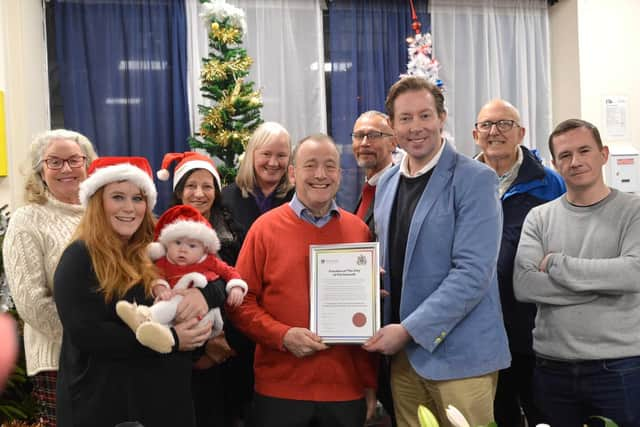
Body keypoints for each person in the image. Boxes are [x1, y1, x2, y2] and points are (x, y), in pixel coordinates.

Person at [363, 76, 510, 427]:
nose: (416, 127)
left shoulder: (475, 179)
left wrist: (409, 329)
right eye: (405, 118)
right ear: (393, 127)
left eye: (425, 116)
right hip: (403, 359)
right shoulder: (385, 183)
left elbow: (473, 274)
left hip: (462, 359)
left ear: (442, 118)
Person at [228, 134, 377, 427]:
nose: (320, 175)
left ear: (340, 175)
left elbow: (366, 323)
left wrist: (369, 384)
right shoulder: (265, 229)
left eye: (330, 166)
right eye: (310, 165)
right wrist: (281, 336)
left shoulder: (358, 231)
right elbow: (240, 303)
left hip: (345, 390)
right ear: (293, 173)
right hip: (280, 390)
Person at [54, 156, 214, 427]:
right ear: (97, 202)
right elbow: (87, 333)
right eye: (118, 197)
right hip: (106, 404)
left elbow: (216, 272)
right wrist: (171, 339)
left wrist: (204, 295)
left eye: (138, 199)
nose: (129, 208)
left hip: (164, 401)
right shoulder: (79, 256)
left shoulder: (160, 248)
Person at [513, 119, 640, 427]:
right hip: (551, 368)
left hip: (619, 368)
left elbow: (633, 274)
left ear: (603, 154)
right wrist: (605, 285)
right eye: (565, 155)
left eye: (584, 150)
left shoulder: (633, 210)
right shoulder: (539, 218)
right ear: (555, 163)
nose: (576, 161)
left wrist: (557, 264)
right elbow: (525, 285)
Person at [472, 99, 565, 427]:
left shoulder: (549, 183)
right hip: (479, 325)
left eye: (504, 124)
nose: (494, 132)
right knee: (497, 415)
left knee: (542, 412)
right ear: (475, 134)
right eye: (486, 125)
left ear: (521, 132)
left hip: (532, 326)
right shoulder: (463, 183)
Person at [2, 129, 97, 426]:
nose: (66, 168)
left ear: (88, 164)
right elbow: (31, 300)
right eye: (54, 162)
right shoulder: (27, 219)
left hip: (113, 355)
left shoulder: (105, 212)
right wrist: (86, 339)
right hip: (60, 358)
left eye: (74, 160)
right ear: (40, 171)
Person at [158, 151, 246, 427]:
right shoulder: (161, 230)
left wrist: (221, 344)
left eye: (207, 186)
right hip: (178, 351)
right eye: (191, 186)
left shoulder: (230, 230)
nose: (199, 193)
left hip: (224, 346)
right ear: (179, 191)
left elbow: (236, 281)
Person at [221, 121, 295, 425]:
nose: (274, 163)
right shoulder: (225, 199)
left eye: (282, 155)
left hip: (283, 318)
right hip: (236, 319)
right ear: (252, 154)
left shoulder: (298, 200)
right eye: (266, 154)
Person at [116, 204, 248, 354]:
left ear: (204, 249)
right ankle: (160, 333)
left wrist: (236, 286)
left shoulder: (209, 261)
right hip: (175, 323)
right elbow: (155, 277)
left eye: (192, 245)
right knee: (170, 302)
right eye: (177, 243)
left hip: (202, 317)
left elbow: (229, 272)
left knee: (175, 301)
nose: (183, 249)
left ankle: (145, 317)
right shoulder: (164, 262)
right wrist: (161, 288)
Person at [351, 110, 397, 231]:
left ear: (393, 143)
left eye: (374, 135)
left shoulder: (399, 191)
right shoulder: (367, 189)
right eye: (359, 136)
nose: (364, 143)